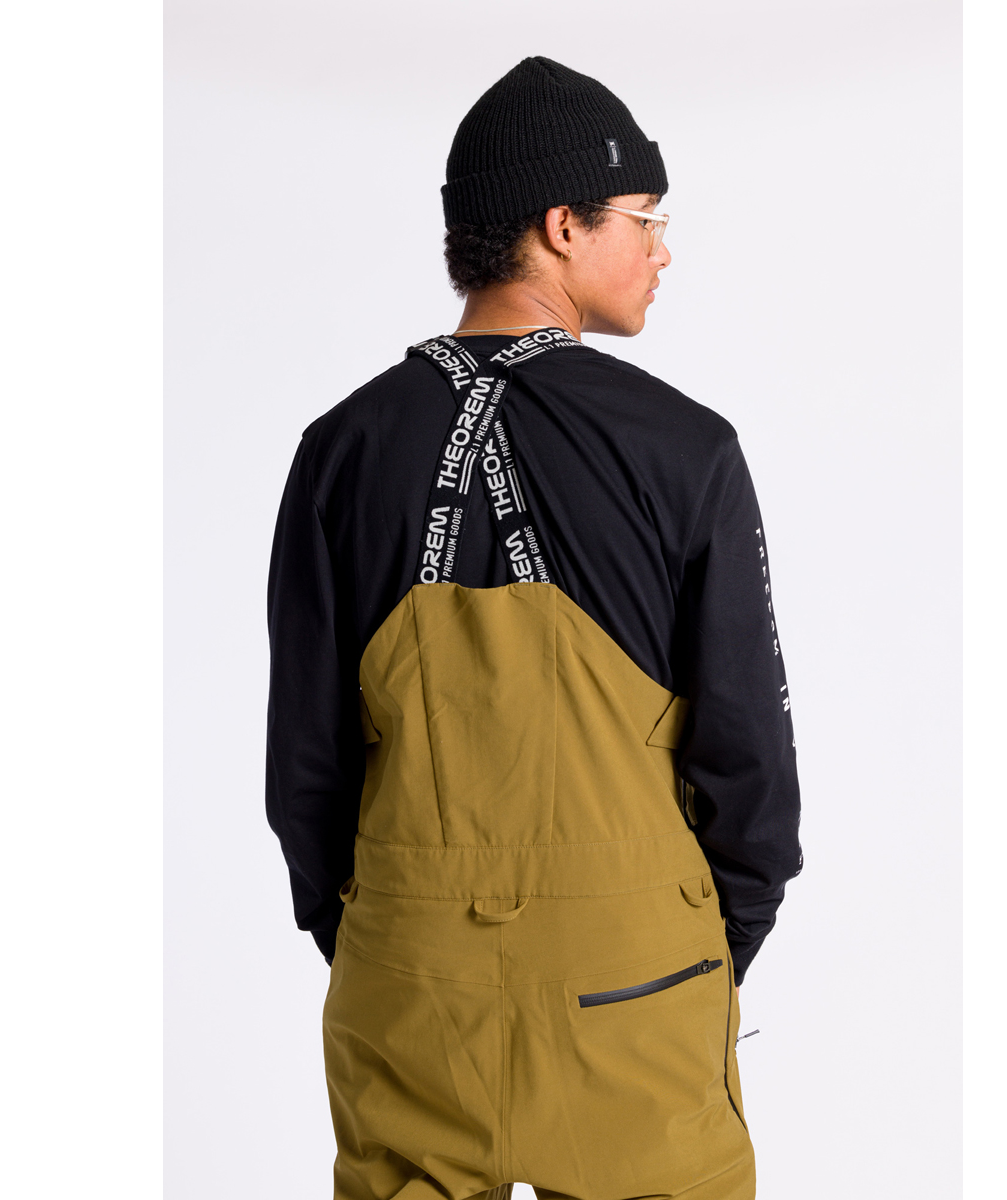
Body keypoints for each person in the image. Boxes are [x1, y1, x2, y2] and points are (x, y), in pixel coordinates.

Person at [266, 56, 802, 1200]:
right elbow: (750, 766)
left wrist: (388, 942)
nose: (662, 251)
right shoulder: (686, 447)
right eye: (646, 219)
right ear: (564, 225)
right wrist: (707, 954)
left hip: (410, 981)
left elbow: (305, 770)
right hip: (639, 981)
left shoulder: (341, 448)